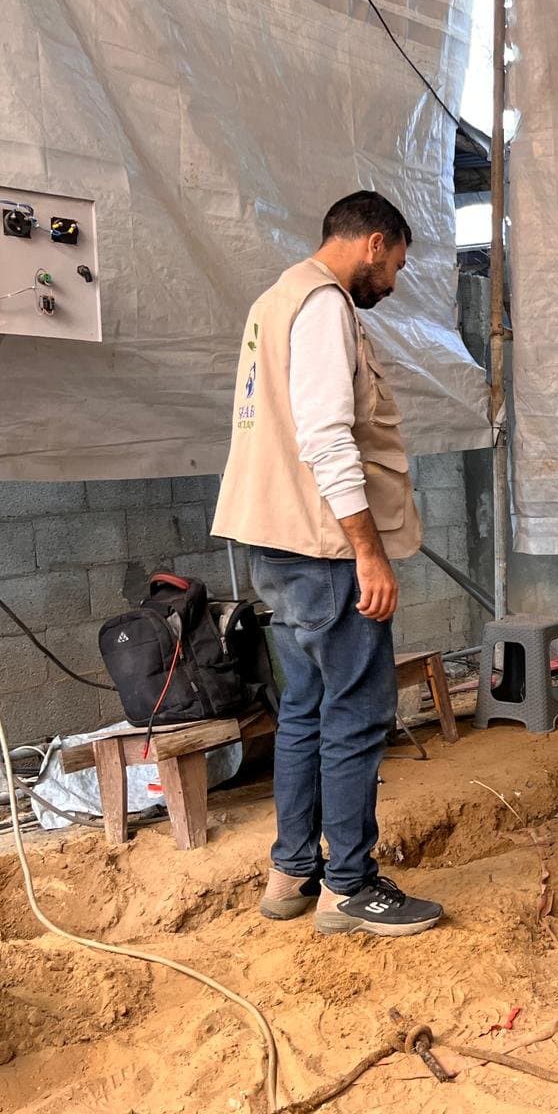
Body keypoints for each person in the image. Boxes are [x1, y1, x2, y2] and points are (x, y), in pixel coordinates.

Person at [213, 191, 444, 937]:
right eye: (397, 265)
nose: (394, 282)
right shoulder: (323, 307)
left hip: (278, 546)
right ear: (373, 243)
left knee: (307, 710)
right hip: (323, 549)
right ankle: (351, 885)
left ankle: (291, 874)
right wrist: (367, 553)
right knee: (356, 711)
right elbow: (326, 439)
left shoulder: (274, 303)